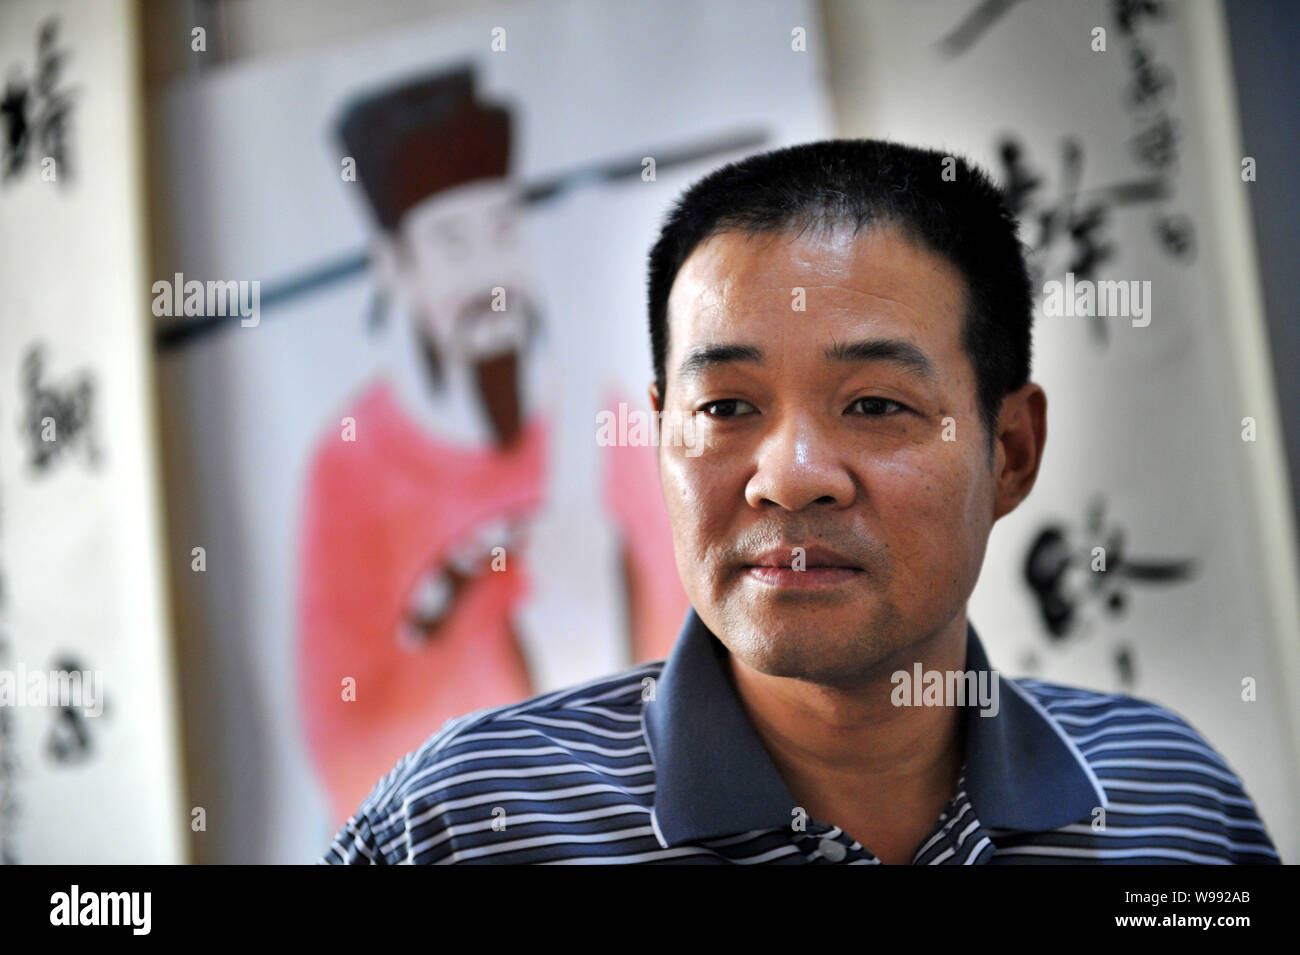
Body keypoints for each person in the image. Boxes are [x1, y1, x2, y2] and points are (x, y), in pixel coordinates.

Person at [319, 139, 1281, 864]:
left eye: (874, 404)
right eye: (727, 405)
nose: (788, 475)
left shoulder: (1169, 804)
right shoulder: (468, 824)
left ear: (1011, 450)